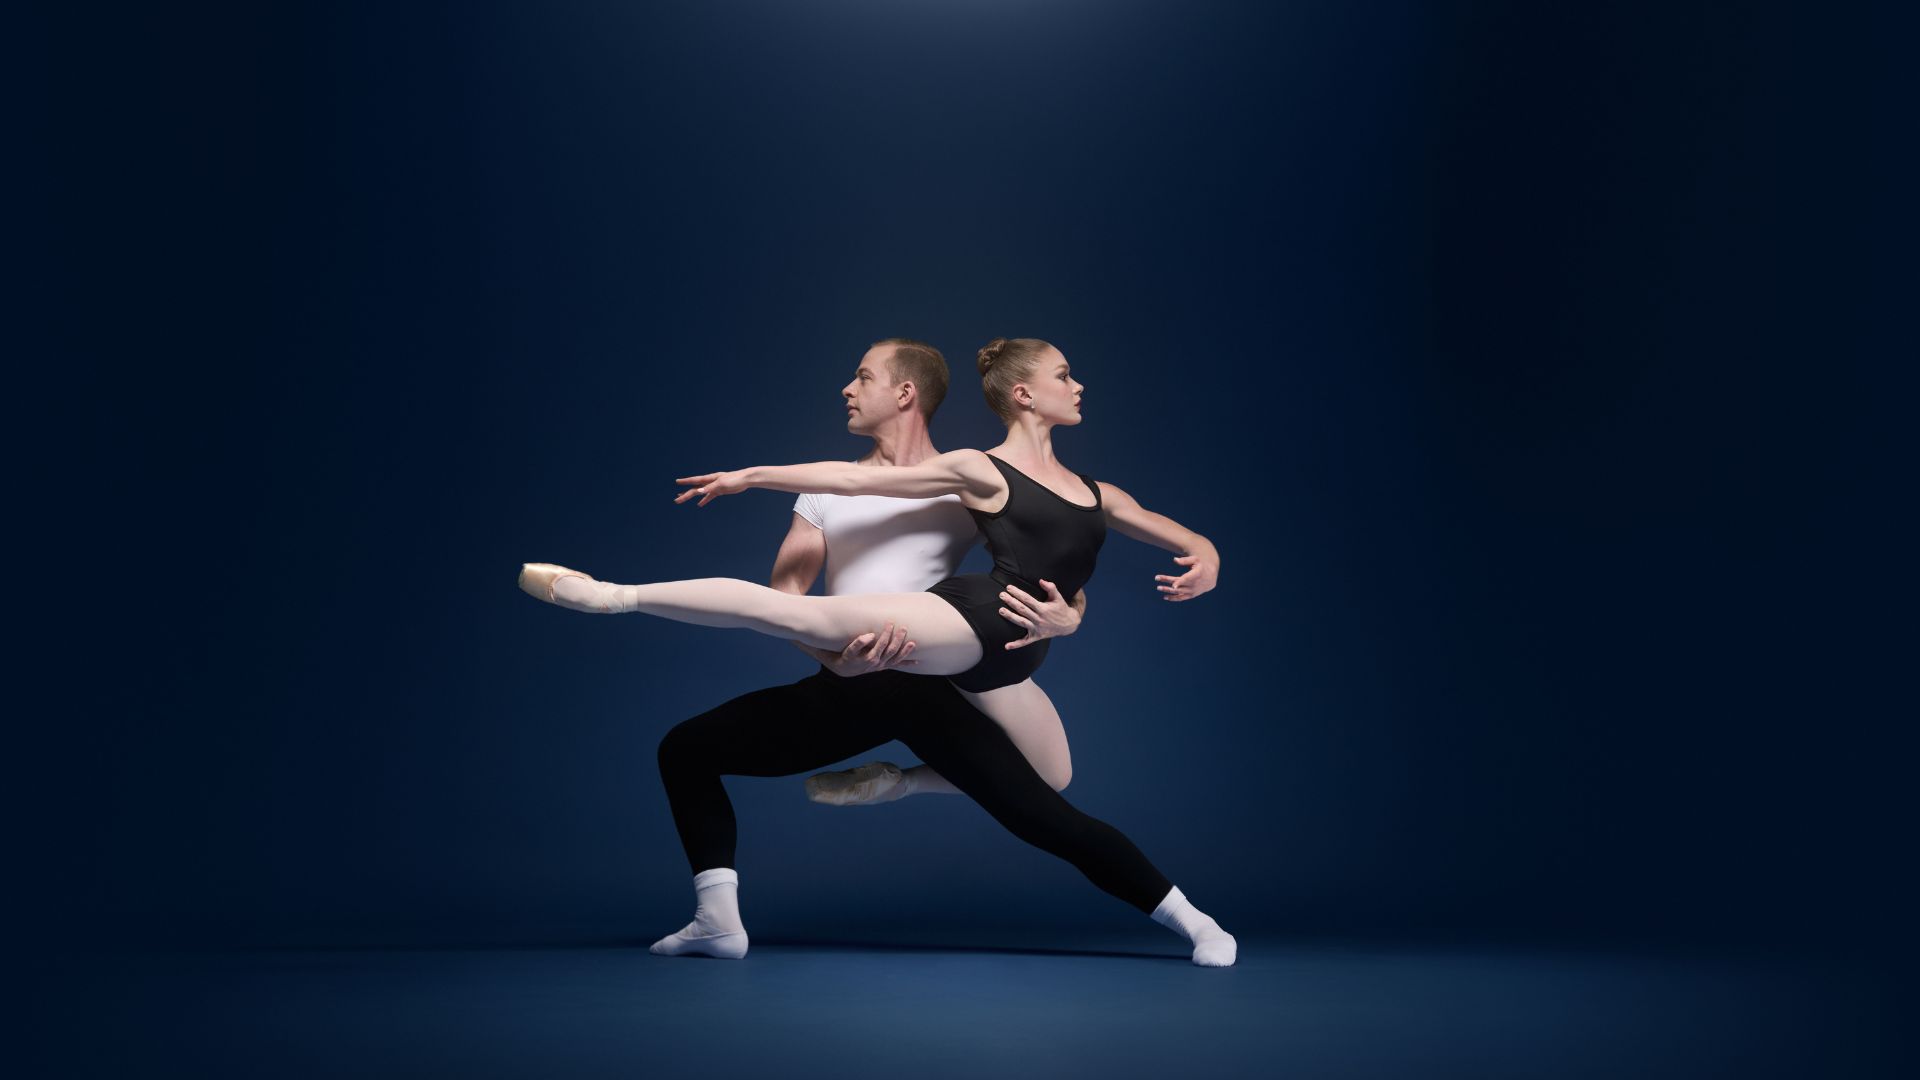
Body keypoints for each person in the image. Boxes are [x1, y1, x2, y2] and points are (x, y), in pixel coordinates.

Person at [521, 337, 1236, 966]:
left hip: (945, 670)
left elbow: (1045, 562)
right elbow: (795, 588)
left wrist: (1077, 617)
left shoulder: (968, 482)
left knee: (1052, 791)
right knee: (686, 748)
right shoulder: (835, 493)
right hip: (858, 673)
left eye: (861, 375)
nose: (846, 388)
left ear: (904, 392)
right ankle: (717, 917)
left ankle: (900, 782)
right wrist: (835, 653)